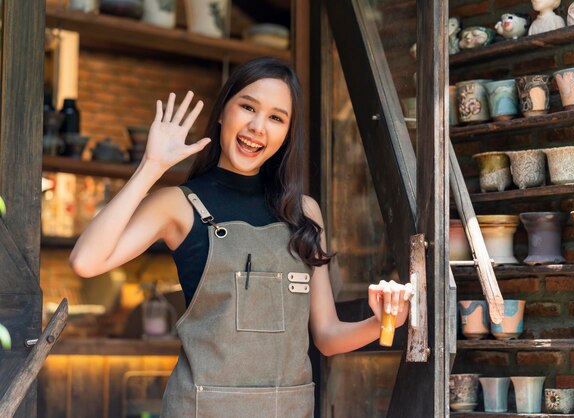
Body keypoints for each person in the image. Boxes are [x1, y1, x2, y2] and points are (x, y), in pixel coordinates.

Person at [69, 57, 413, 418]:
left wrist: (383, 321)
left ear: (287, 133)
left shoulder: (304, 214)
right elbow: (86, 261)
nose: (257, 127)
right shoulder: (178, 205)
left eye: (276, 118)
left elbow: (326, 337)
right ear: (222, 112)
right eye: (248, 107)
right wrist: (152, 166)